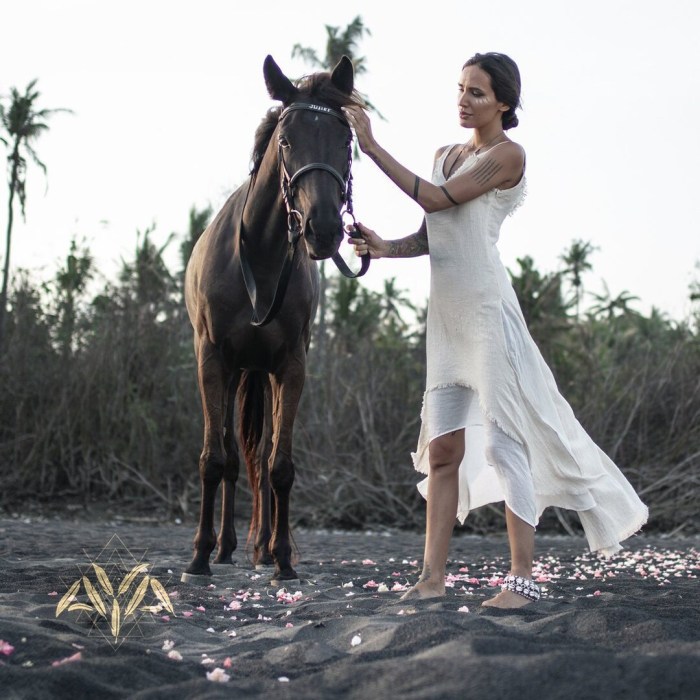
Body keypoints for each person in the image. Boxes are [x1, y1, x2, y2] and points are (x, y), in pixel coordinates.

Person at [341, 52, 648, 609]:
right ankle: (432, 577)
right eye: (460, 88)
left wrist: (372, 145)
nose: (463, 99)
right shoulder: (445, 155)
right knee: (442, 451)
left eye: (477, 93)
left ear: (504, 102)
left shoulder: (508, 156)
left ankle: (522, 579)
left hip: (487, 312)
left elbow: (438, 198)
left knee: (507, 445)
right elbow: (435, 229)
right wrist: (387, 248)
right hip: (447, 319)